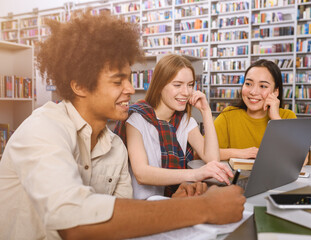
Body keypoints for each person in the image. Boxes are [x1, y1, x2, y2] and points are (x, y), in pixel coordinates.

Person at [0, 11, 246, 240]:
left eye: (129, 78)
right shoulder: (43, 130)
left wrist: (173, 205)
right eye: (118, 81)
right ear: (80, 86)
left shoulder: (116, 147)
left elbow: (121, 225)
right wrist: (202, 208)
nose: (130, 89)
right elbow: (74, 223)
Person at [114, 54, 234, 200]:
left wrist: (206, 112)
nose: (186, 92)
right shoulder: (136, 118)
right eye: (177, 85)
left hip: (171, 201)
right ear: (159, 86)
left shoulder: (184, 121)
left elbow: (212, 158)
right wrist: (196, 174)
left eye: (190, 85)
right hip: (141, 206)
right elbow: (142, 174)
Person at [214, 59, 298, 161]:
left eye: (263, 86)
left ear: (276, 92)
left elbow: (300, 159)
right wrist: (242, 153)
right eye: (248, 84)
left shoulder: (287, 116)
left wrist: (276, 119)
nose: (253, 92)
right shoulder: (229, 115)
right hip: (235, 176)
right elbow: (203, 152)